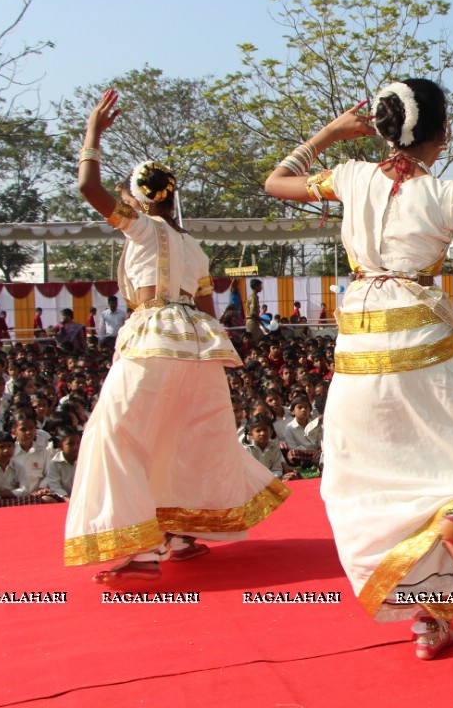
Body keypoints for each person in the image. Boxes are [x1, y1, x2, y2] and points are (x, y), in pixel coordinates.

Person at [265, 79, 453, 659]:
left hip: (359, 342)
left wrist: (330, 132)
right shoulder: (447, 195)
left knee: (378, 474)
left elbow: (275, 182)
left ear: (383, 129)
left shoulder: (352, 176)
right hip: (423, 336)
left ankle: (428, 623)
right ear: (444, 131)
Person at [65, 89, 289, 585]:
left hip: (153, 339)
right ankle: (181, 535)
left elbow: (87, 186)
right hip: (200, 346)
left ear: (139, 198)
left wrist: (92, 135)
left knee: (115, 435)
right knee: (182, 436)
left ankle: (142, 552)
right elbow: (210, 310)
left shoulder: (141, 229)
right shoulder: (194, 247)